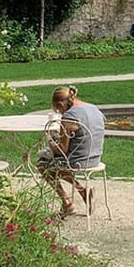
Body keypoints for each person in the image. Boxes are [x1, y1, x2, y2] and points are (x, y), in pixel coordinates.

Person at [37, 86, 105, 217]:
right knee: (55, 165)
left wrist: (50, 140)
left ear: (61, 104)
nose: (60, 113)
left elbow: (62, 150)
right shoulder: (93, 108)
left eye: (58, 109)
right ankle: (82, 191)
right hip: (95, 157)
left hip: (78, 161)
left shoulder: (69, 116)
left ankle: (67, 202)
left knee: (42, 165)